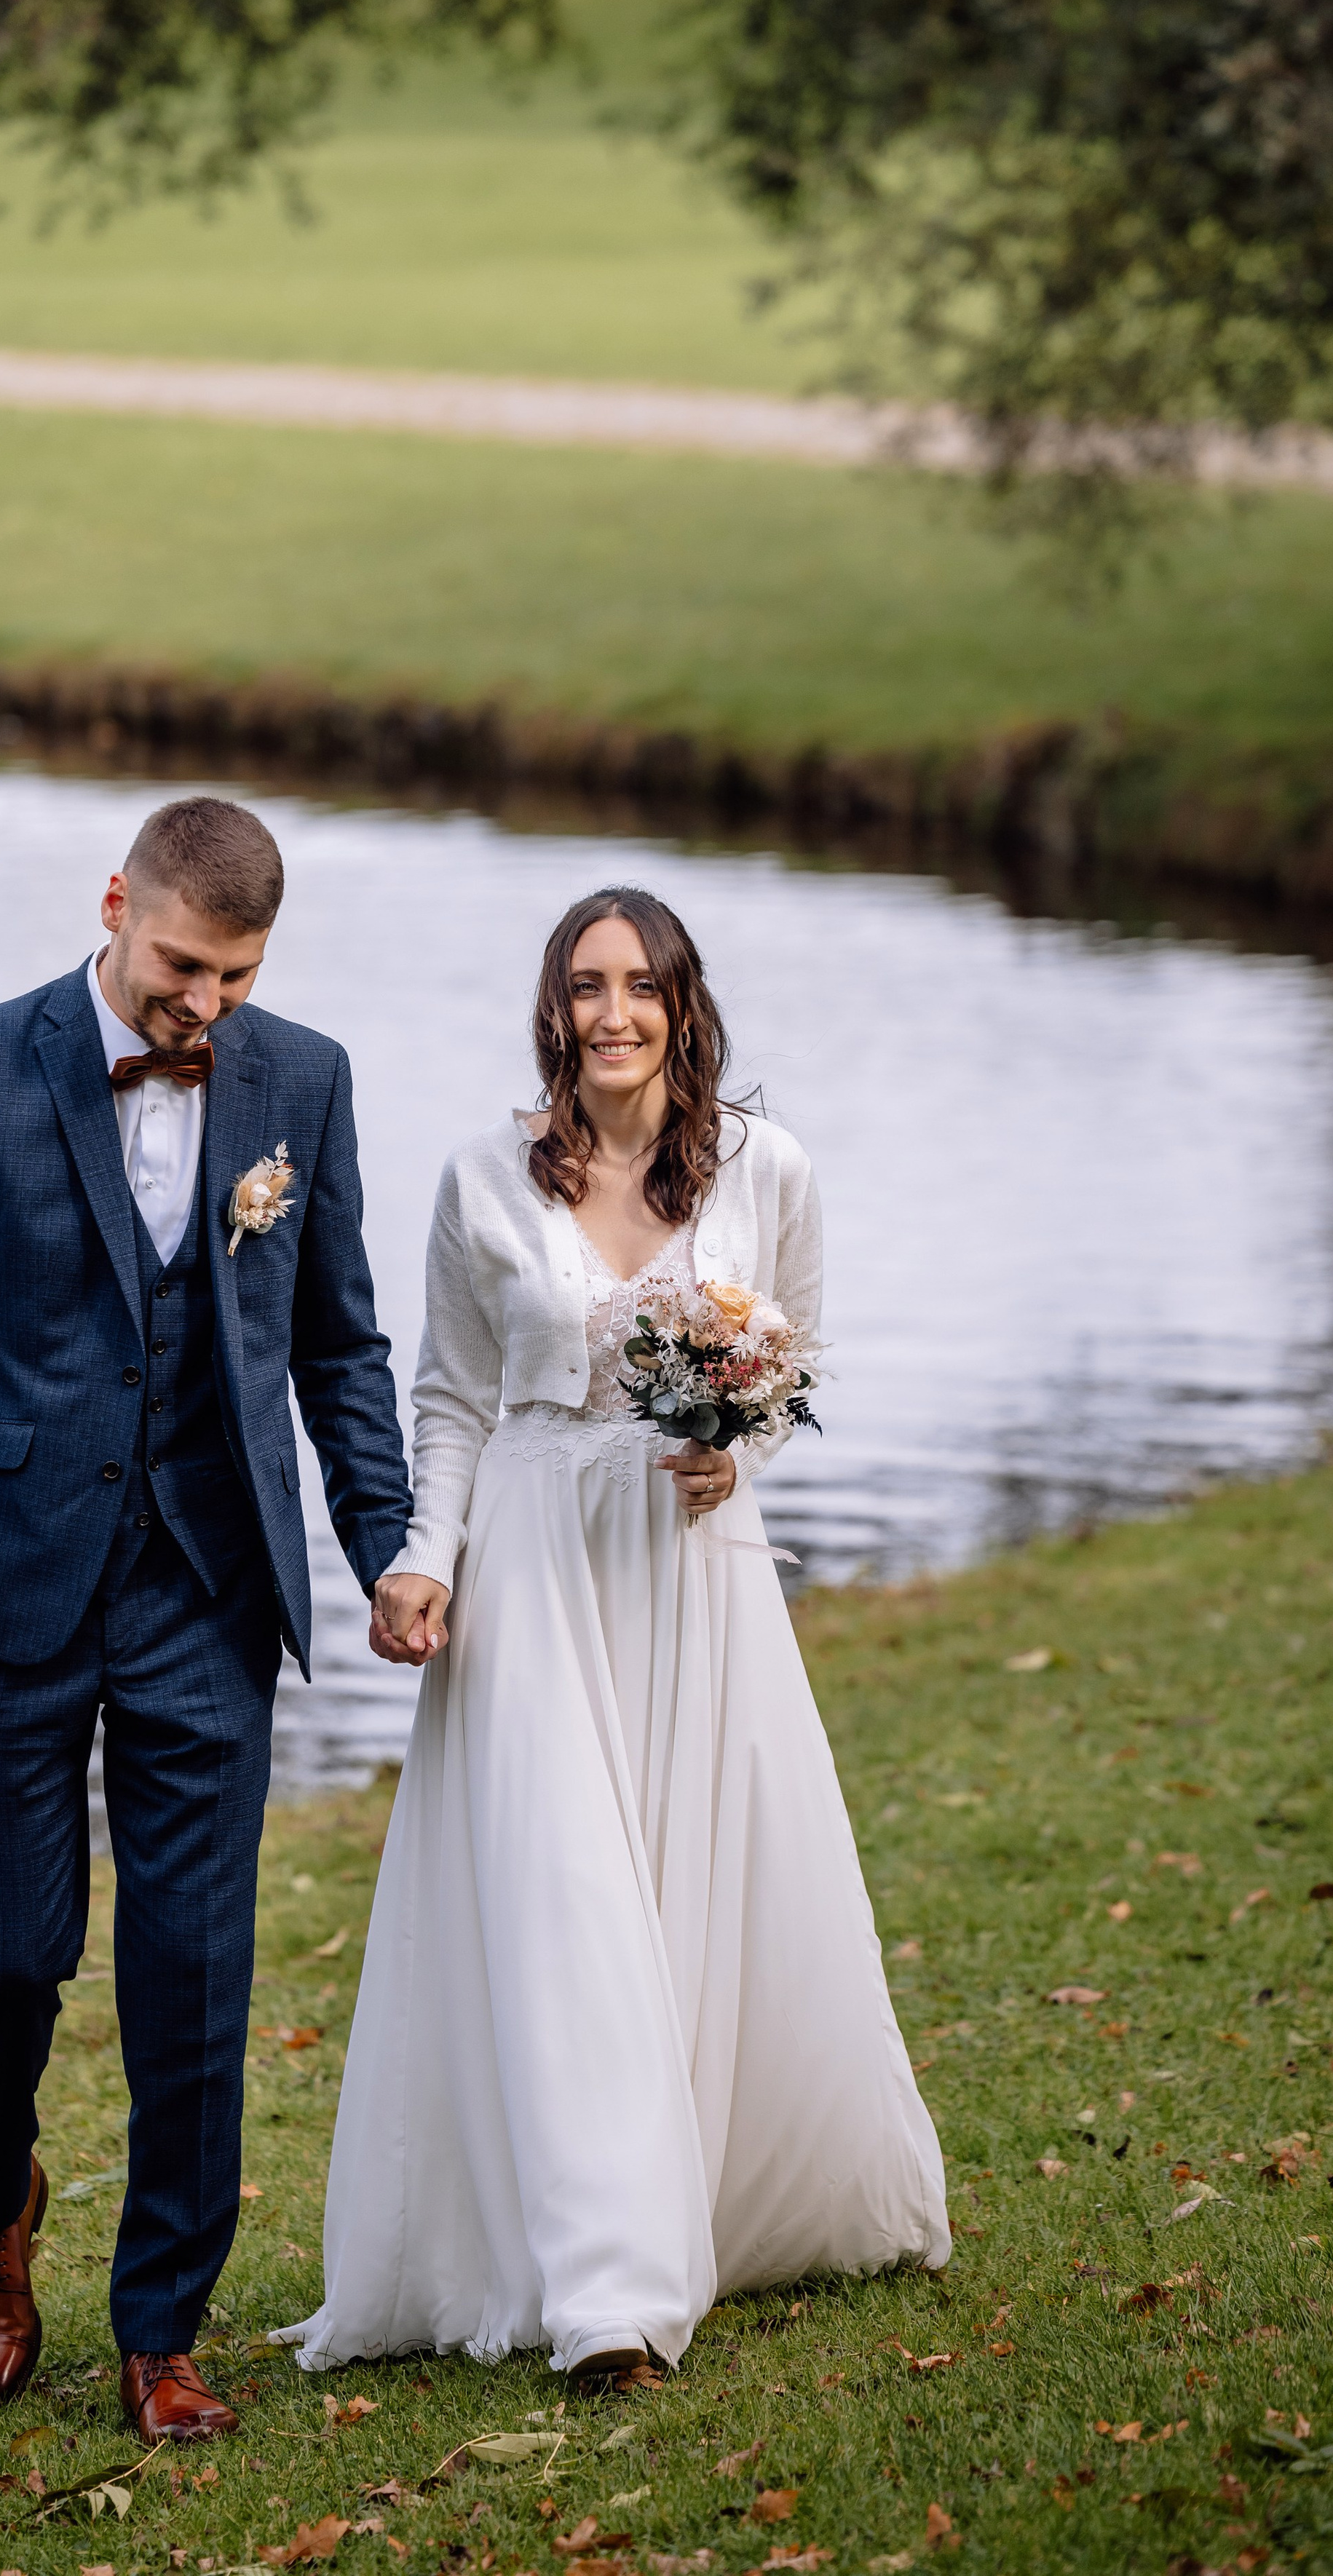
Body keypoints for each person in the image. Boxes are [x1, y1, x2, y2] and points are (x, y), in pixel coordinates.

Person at [277, 886, 950, 2379]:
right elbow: (449, 1397)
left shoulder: (766, 1169)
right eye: (586, 985)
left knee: (697, 1885)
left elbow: (794, 1361)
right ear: (553, 1007)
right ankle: (607, 2294)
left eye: (640, 984)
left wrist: (735, 1459)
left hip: (691, 1574)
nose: (612, 1013)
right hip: (532, 1570)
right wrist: (421, 1559)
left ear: (682, 1004)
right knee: (561, 1903)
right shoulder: (482, 1176)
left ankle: (717, 2198)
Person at [0, 797, 418, 2438]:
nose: (205, 1005)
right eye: (181, 966)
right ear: (115, 904)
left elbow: (339, 1348)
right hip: (4, 1594)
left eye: (238, 977)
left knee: (193, 1969)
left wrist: (389, 1547)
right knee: (11, 1959)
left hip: (209, 1586)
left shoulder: (305, 1080)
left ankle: (161, 2328)